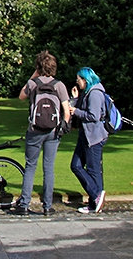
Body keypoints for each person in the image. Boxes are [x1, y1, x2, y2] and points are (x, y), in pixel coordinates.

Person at [12, 51, 70, 216]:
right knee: (48, 168)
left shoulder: (33, 84)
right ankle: (47, 206)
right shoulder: (59, 85)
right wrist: (62, 128)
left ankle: (24, 204)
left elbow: (21, 96)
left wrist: (34, 75)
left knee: (30, 167)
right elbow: (66, 112)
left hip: (34, 130)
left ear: (38, 67)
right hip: (53, 131)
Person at [70, 66, 108, 214]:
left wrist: (75, 111)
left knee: (93, 170)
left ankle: (95, 199)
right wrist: (75, 98)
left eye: (78, 79)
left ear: (85, 80)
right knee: (76, 165)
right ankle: (96, 199)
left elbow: (94, 116)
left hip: (94, 136)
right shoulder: (87, 93)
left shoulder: (95, 93)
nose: (77, 82)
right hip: (86, 135)